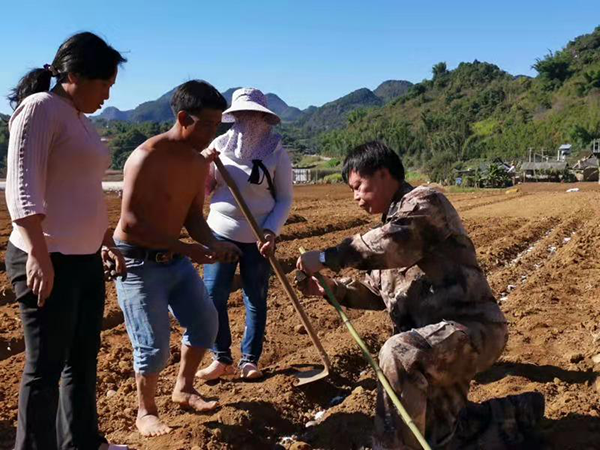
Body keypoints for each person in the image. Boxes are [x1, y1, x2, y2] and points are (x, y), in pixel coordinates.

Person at [296, 142, 545, 450]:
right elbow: (376, 292)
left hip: (470, 332)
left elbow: (394, 243)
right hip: (433, 343)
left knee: (399, 354)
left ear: (384, 174)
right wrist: (331, 289)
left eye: (359, 187)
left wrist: (325, 258)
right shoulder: (388, 228)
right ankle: (517, 413)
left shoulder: (425, 204)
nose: (356, 198)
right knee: (440, 436)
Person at [4, 32, 128, 450]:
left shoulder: (79, 119)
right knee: (45, 367)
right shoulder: (40, 110)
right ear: (74, 74)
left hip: (84, 257)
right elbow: (22, 188)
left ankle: (81, 442)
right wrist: (38, 254)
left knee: (82, 359)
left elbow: (82, 189)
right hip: (47, 257)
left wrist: (104, 238)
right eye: (104, 84)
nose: (108, 94)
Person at [113, 80, 241, 437]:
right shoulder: (147, 156)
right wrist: (189, 249)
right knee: (152, 345)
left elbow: (192, 218)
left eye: (219, 125)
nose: (214, 132)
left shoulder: (197, 164)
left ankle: (183, 389)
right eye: (209, 125)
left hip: (175, 259)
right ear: (184, 117)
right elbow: (132, 224)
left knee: (205, 323)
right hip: (137, 260)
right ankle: (146, 411)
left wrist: (213, 242)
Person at [196, 87, 293, 381]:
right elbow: (204, 190)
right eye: (242, 115)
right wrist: (204, 164)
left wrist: (270, 231)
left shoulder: (277, 153)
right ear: (234, 118)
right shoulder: (218, 148)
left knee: (255, 296)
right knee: (214, 296)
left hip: (258, 238)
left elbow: (285, 199)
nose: (248, 121)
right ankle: (221, 358)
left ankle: (249, 359)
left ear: (264, 119)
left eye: (254, 115)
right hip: (220, 233)